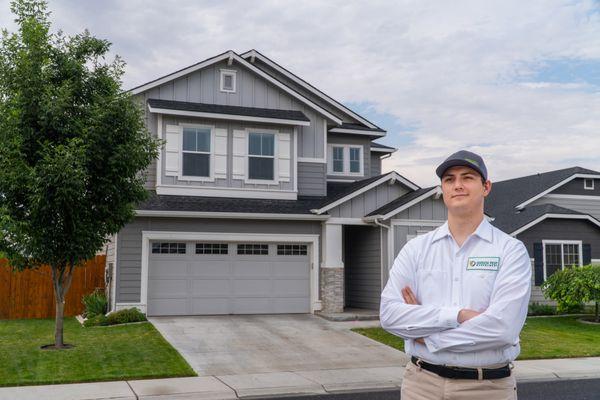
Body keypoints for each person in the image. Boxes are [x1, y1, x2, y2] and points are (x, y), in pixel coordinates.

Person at [380, 150, 531, 400]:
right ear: (442, 189)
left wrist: (424, 335)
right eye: (449, 179)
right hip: (421, 385)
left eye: (467, 177)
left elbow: (502, 329)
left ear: (486, 187)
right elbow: (389, 315)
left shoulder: (510, 251)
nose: (457, 185)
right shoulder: (416, 249)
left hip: (486, 389)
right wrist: (458, 315)